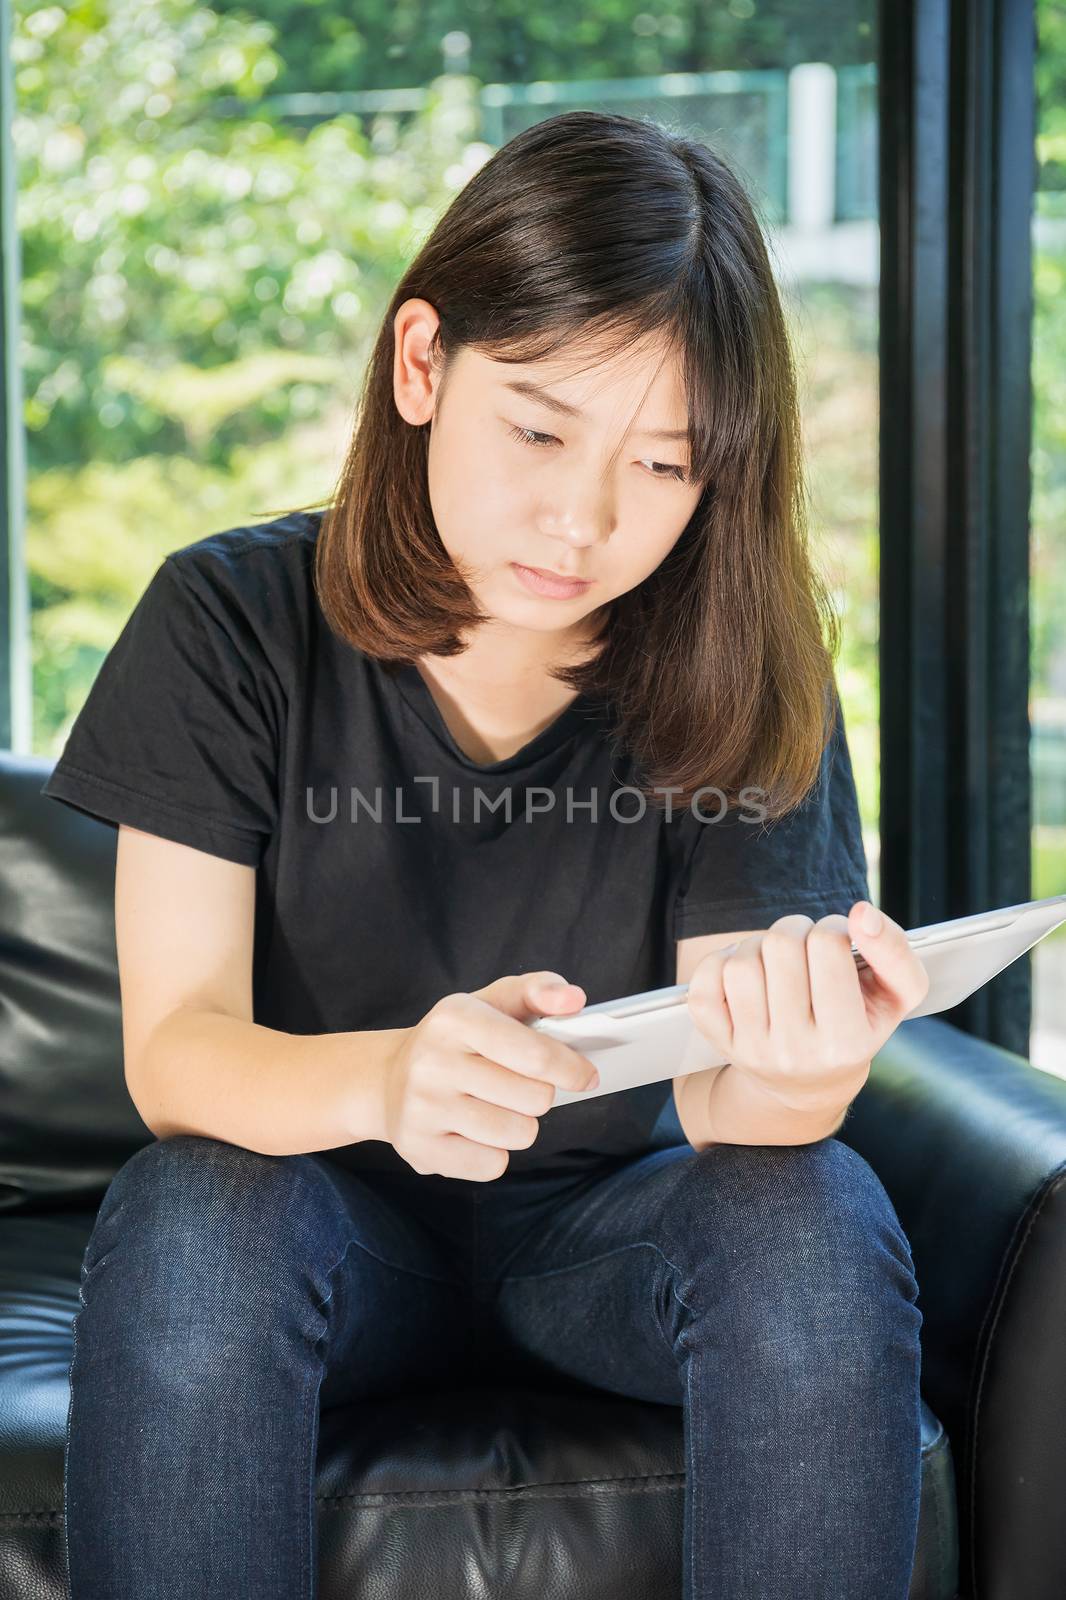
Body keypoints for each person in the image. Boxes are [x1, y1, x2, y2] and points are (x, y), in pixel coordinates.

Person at [42, 109, 930, 1600]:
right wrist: (392, 1076)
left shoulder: (739, 667)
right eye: (537, 427)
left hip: (603, 1242)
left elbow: (728, 1098)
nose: (581, 520)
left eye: (662, 466)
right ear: (418, 365)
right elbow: (176, 1052)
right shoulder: (228, 620)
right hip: (326, 1220)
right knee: (198, 1207)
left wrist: (802, 1071)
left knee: (812, 1213)